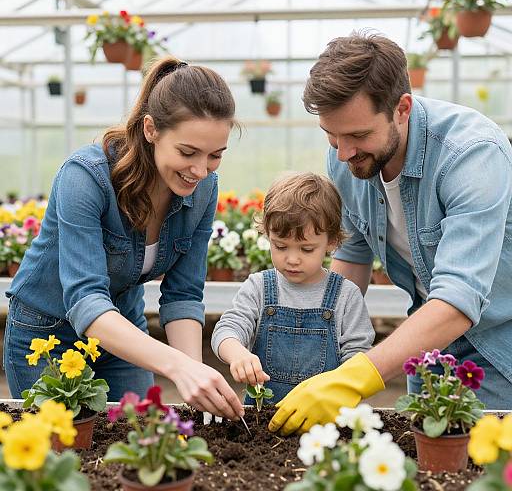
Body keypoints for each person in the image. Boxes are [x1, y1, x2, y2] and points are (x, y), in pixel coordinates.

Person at [269, 32, 512, 435]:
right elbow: (353, 257)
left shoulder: (471, 153)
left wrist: (354, 378)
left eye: (358, 135)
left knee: (479, 470)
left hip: (496, 349)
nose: (343, 152)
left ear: (402, 108)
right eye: (332, 134)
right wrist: (320, 346)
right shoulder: (347, 158)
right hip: (423, 348)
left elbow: (458, 298)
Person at [3, 56, 244, 421]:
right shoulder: (86, 176)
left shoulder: (204, 191)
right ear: (151, 129)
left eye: (215, 155)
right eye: (187, 152)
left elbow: (183, 295)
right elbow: (85, 299)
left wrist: (197, 376)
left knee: (139, 438)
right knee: (62, 455)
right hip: (47, 334)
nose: (200, 170)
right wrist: (177, 366)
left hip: (124, 329)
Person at [211, 172, 375, 404]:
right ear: (267, 234)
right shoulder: (258, 288)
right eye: (280, 246)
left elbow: (358, 357)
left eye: (306, 249)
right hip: (265, 422)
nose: (292, 259)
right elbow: (227, 329)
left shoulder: (346, 296)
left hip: (324, 418)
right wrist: (237, 354)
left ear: (331, 242)